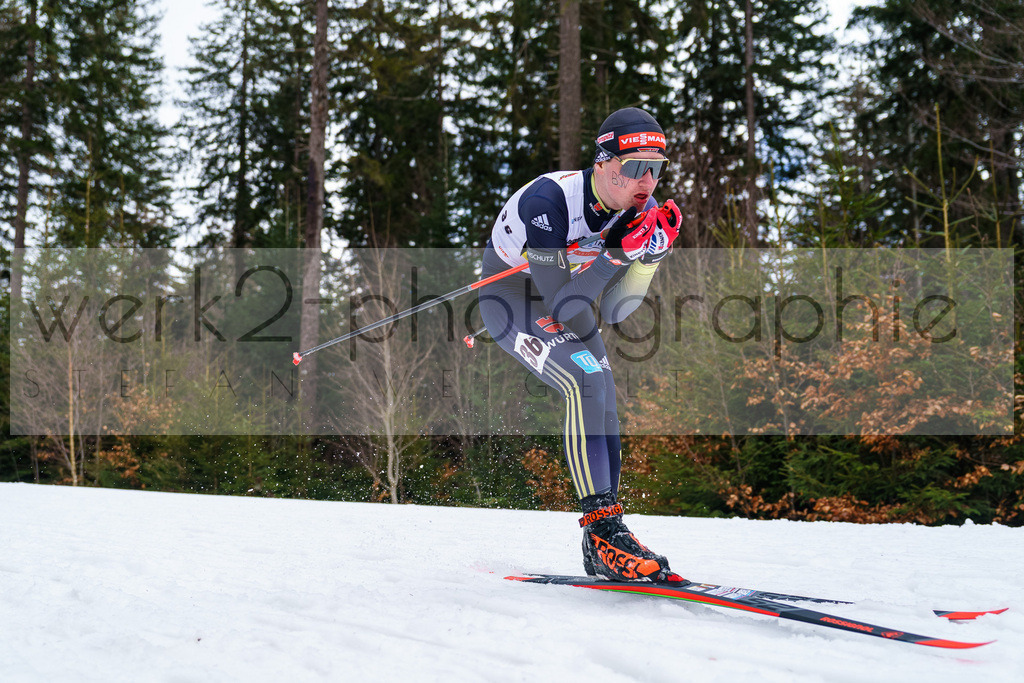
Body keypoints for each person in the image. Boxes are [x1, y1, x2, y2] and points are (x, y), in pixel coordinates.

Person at [478, 107, 681, 582]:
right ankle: (603, 529)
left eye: (656, 168)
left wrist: (650, 259)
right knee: (583, 378)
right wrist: (617, 256)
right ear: (604, 163)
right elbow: (563, 305)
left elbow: (614, 311)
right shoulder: (549, 201)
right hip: (511, 297)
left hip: (572, 292)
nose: (645, 180)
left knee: (604, 388)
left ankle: (602, 543)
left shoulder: (640, 208)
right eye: (634, 168)